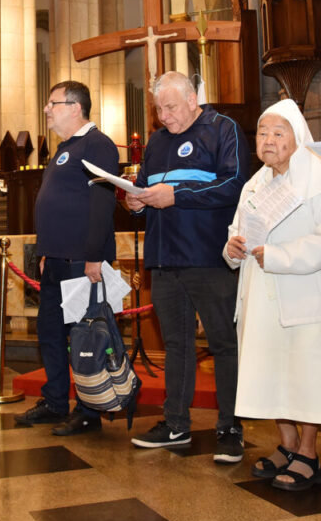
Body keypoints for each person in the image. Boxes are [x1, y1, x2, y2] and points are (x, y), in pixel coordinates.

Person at [224, 99, 321, 491]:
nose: (268, 140)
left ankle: (310, 455)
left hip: (304, 295)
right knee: (272, 375)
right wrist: (231, 249)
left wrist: (278, 256)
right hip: (260, 295)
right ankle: (288, 444)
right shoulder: (255, 182)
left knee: (306, 376)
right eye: (263, 133)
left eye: (278, 133)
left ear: (297, 138)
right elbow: (238, 230)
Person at [126, 71, 249, 458]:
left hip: (209, 257)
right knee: (176, 345)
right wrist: (134, 200)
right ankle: (176, 423)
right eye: (158, 108)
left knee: (223, 343)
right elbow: (146, 187)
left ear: (193, 99)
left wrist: (176, 194)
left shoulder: (222, 128)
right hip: (164, 259)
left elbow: (235, 184)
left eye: (171, 106)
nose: (164, 115)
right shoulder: (158, 141)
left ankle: (230, 426)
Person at [14, 81, 118, 435]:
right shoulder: (64, 147)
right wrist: (44, 252)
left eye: (53, 103)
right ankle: (56, 402)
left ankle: (88, 410)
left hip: (80, 260)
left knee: (84, 337)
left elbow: (103, 204)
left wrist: (94, 257)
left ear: (76, 107)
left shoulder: (98, 145)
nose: (47, 109)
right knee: (51, 333)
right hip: (56, 259)